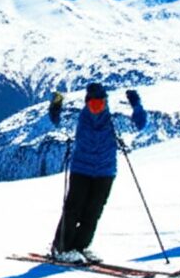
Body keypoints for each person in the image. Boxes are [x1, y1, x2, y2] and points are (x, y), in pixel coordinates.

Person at [50, 83, 147, 264]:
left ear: (105, 102)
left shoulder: (112, 121)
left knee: (93, 212)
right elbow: (57, 120)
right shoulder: (85, 120)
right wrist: (56, 105)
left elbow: (139, 125)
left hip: (103, 173)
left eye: (100, 103)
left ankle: (80, 246)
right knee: (74, 209)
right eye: (93, 104)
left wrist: (136, 105)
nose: (96, 107)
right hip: (85, 170)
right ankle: (61, 248)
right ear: (87, 103)